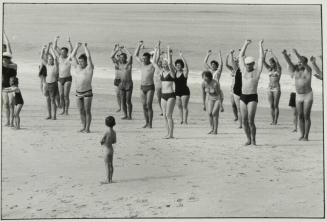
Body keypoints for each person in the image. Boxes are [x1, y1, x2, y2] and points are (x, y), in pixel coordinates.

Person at [282, 49, 313, 141]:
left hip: (307, 95)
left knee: (306, 115)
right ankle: (302, 134)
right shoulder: (295, 70)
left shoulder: (308, 70)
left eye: (301, 62)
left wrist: (296, 53)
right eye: (298, 62)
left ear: (305, 63)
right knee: (300, 116)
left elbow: (303, 63)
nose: (299, 63)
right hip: (298, 96)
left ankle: (306, 136)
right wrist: (284, 55)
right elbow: (289, 62)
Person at [238, 39, 264, 145]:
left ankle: (253, 139)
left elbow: (261, 58)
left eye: (250, 64)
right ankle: (248, 139)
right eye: (247, 64)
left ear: (253, 64)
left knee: (250, 120)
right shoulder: (243, 70)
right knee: (244, 121)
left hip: (252, 97)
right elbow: (240, 56)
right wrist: (245, 44)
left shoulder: (257, 71)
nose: (248, 65)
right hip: (243, 97)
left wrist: (259, 45)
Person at [153, 45, 176, 139]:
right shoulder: (161, 72)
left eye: (165, 63)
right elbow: (154, 62)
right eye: (163, 63)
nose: (164, 64)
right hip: (163, 95)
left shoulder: (172, 72)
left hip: (171, 95)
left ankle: (171, 134)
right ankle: (167, 133)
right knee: (164, 117)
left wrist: (168, 52)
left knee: (168, 115)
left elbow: (170, 64)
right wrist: (156, 51)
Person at [71, 42, 94, 133]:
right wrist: (76, 46)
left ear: (85, 62)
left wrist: (85, 47)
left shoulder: (89, 68)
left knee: (87, 111)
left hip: (87, 92)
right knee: (81, 111)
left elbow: (89, 57)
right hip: (78, 92)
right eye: (79, 61)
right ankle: (83, 127)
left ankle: (87, 128)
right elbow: (72, 56)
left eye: (82, 61)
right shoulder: (77, 68)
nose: (80, 63)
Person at [134, 41, 156, 128]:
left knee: (149, 105)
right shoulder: (142, 64)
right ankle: (146, 122)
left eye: (145, 58)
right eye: (143, 58)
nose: (143, 59)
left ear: (149, 58)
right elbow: (135, 55)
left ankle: (150, 123)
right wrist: (139, 45)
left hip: (150, 87)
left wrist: (157, 49)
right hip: (142, 87)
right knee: (144, 106)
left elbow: (156, 59)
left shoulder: (152, 65)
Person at [112, 45, 133, 120]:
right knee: (123, 101)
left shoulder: (128, 64)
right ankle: (125, 115)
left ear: (125, 58)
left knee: (128, 101)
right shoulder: (118, 64)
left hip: (128, 84)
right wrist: (117, 50)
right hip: (121, 84)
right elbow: (112, 57)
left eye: (123, 57)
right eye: (120, 57)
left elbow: (130, 55)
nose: (121, 58)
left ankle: (129, 116)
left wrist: (125, 48)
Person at [53, 36, 73, 115]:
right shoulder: (60, 57)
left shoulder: (69, 58)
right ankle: (63, 110)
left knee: (66, 95)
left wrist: (69, 42)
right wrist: (56, 39)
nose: (62, 53)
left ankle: (66, 111)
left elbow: (72, 50)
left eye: (64, 52)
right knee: (61, 95)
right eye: (61, 52)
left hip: (68, 78)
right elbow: (54, 47)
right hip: (60, 79)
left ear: (66, 52)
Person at [2, 31, 17, 127]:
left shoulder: (14, 65)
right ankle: (7, 121)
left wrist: (3, 34)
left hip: (12, 86)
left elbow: (8, 44)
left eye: (5, 58)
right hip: (3, 86)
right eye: (3, 58)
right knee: (6, 104)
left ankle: (11, 121)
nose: (4, 60)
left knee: (11, 104)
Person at [41, 42, 59, 120]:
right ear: (47, 60)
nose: (50, 60)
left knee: (52, 100)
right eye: (49, 59)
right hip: (47, 84)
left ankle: (54, 116)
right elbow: (42, 57)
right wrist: (43, 49)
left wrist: (51, 49)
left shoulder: (55, 66)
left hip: (53, 84)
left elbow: (55, 58)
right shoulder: (47, 65)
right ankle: (49, 115)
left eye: (51, 59)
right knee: (47, 100)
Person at [263, 49, 282, 125]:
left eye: (272, 63)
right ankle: (272, 120)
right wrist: (265, 52)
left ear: (274, 63)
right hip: (269, 88)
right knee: (271, 105)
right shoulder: (269, 69)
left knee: (275, 105)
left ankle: (275, 121)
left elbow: (277, 61)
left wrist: (272, 53)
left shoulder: (279, 69)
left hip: (276, 88)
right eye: (270, 63)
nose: (271, 64)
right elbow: (263, 61)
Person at [226, 49, 242, 128]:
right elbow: (228, 64)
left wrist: (240, 52)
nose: (235, 62)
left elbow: (242, 59)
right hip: (232, 89)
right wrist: (230, 55)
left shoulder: (241, 70)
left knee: (240, 107)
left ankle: (241, 121)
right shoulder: (233, 69)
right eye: (235, 61)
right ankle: (236, 117)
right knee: (233, 105)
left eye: (237, 61)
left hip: (240, 90)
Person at [174, 51, 190, 125]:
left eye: (179, 65)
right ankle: (181, 120)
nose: (178, 66)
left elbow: (186, 67)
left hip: (185, 92)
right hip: (177, 92)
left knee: (184, 107)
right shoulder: (174, 73)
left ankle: (185, 121)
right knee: (179, 107)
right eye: (177, 65)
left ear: (182, 66)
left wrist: (182, 56)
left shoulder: (184, 73)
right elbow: (169, 65)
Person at [100, 116, 117, 184]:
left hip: (106, 149)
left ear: (106, 123)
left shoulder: (107, 132)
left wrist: (103, 142)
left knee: (107, 165)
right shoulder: (114, 132)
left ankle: (107, 179)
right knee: (111, 164)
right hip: (111, 149)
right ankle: (111, 179)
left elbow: (102, 140)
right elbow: (114, 141)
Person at [110, 44, 122, 112]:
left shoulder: (123, 63)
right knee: (117, 94)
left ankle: (123, 106)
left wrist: (120, 50)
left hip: (122, 80)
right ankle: (120, 107)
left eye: (118, 56)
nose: (117, 57)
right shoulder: (116, 63)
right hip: (116, 80)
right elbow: (112, 56)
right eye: (117, 56)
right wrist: (115, 49)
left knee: (123, 95)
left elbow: (124, 55)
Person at [153, 41, 163, 116]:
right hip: (157, 86)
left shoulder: (164, 69)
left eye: (160, 62)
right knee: (159, 99)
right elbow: (155, 59)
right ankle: (162, 110)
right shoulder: (156, 67)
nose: (159, 63)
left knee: (164, 99)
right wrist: (157, 47)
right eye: (158, 62)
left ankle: (165, 110)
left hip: (164, 86)